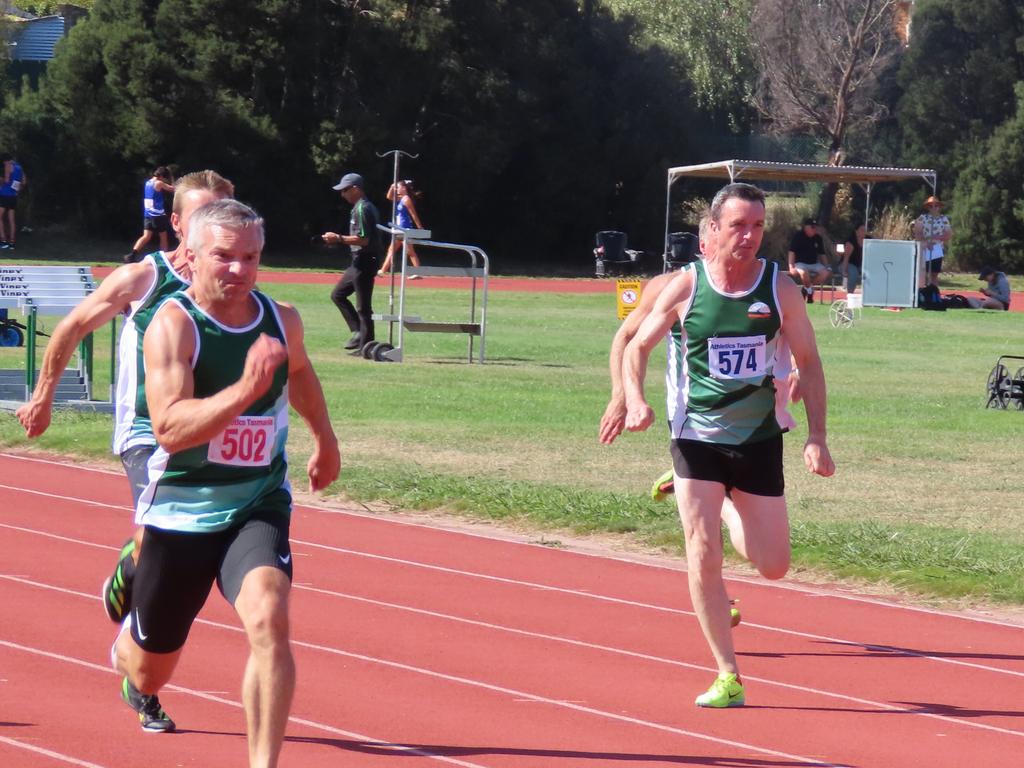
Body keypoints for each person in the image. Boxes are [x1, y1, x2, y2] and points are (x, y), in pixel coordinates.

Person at [112, 199, 340, 765]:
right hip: (179, 512)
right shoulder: (173, 324)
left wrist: (326, 440)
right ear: (191, 254)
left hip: (256, 501)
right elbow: (169, 429)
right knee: (148, 669)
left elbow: (302, 377)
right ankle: (132, 603)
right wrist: (245, 387)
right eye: (224, 257)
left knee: (269, 617)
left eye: (251, 257)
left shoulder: (281, 318)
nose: (238, 270)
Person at [16, 172, 235, 732]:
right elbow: (72, 324)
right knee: (162, 537)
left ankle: (135, 569)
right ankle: (140, 677)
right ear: (179, 223)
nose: (219, 227)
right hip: (147, 435)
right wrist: (42, 398)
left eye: (227, 213)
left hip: (211, 437)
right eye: (206, 216)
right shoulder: (144, 277)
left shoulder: (236, 287)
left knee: (186, 559)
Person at [622, 182, 834, 709]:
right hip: (695, 437)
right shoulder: (685, 287)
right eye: (738, 225)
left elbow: (810, 364)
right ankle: (727, 674)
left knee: (774, 565)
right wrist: (634, 399)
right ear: (712, 230)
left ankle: (727, 505)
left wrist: (817, 437)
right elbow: (637, 346)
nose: (749, 236)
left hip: (759, 439)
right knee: (702, 552)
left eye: (758, 226)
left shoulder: (779, 289)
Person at [322, 172, 382, 354]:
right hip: (359, 261)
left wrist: (338, 238)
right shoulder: (361, 207)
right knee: (338, 295)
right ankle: (358, 333)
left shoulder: (362, 208)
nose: (343, 194)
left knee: (363, 306)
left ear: (356, 189)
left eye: (346, 190)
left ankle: (365, 345)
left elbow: (363, 239)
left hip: (365, 260)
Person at [126, 167, 176, 263]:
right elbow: (172, 189)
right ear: (161, 176)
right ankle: (164, 259)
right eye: (164, 178)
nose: (164, 180)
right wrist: (175, 182)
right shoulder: (158, 183)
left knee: (146, 236)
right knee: (163, 237)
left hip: (148, 215)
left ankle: (132, 255)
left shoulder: (148, 182)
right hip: (158, 215)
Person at [378, 179, 425, 278]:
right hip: (399, 229)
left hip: (405, 229)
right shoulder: (400, 198)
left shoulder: (406, 199)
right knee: (392, 250)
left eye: (398, 187)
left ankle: (417, 272)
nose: (397, 189)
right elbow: (389, 197)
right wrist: (391, 187)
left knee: (409, 251)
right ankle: (383, 270)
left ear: (404, 188)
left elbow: (413, 214)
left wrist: (420, 227)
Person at [787, 217, 833, 304]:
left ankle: (807, 288)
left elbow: (822, 254)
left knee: (825, 273)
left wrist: (828, 267)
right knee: (804, 272)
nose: (814, 229)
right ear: (806, 227)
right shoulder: (798, 236)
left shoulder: (818, 238)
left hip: (814, 263)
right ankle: (810, 293)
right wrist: (791, 267)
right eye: (812, 227)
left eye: (815, 227)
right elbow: (791, 252)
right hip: (800, 263)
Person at [912, 196, 951, 288]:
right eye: (931, 206)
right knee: (923, 272)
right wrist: (926, 242)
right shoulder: (922, 218)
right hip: (924, 248)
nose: (934, 208)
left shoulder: (944, 219)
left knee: (934, 274)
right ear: (928, 207)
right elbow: (917, 233)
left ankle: (934, 294)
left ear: (939, 207)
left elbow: (948, 235)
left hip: (937, 248)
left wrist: (936, 238)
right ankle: (922, 293)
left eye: (936, 206)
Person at [0, 152, 27, 251]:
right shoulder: (19, 167)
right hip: (14, 196)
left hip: (4, 194)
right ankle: (12, 243)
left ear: (5, 160)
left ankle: (3, 241)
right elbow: (23, 182)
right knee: (12, 220)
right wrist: (17, 189)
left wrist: (1, 181)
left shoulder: (7, 165)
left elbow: (6, 180)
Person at [842, 221, 865, 293]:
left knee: (870, 272)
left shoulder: (868, 240)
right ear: (856, 231)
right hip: (849, 263)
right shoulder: (851, 242)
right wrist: (844, 271)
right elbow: (846, 258)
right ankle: (850, 294)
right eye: (862, 230)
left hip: (861, 264)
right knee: (853, 272)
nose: (864, 232)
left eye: (865, 230)